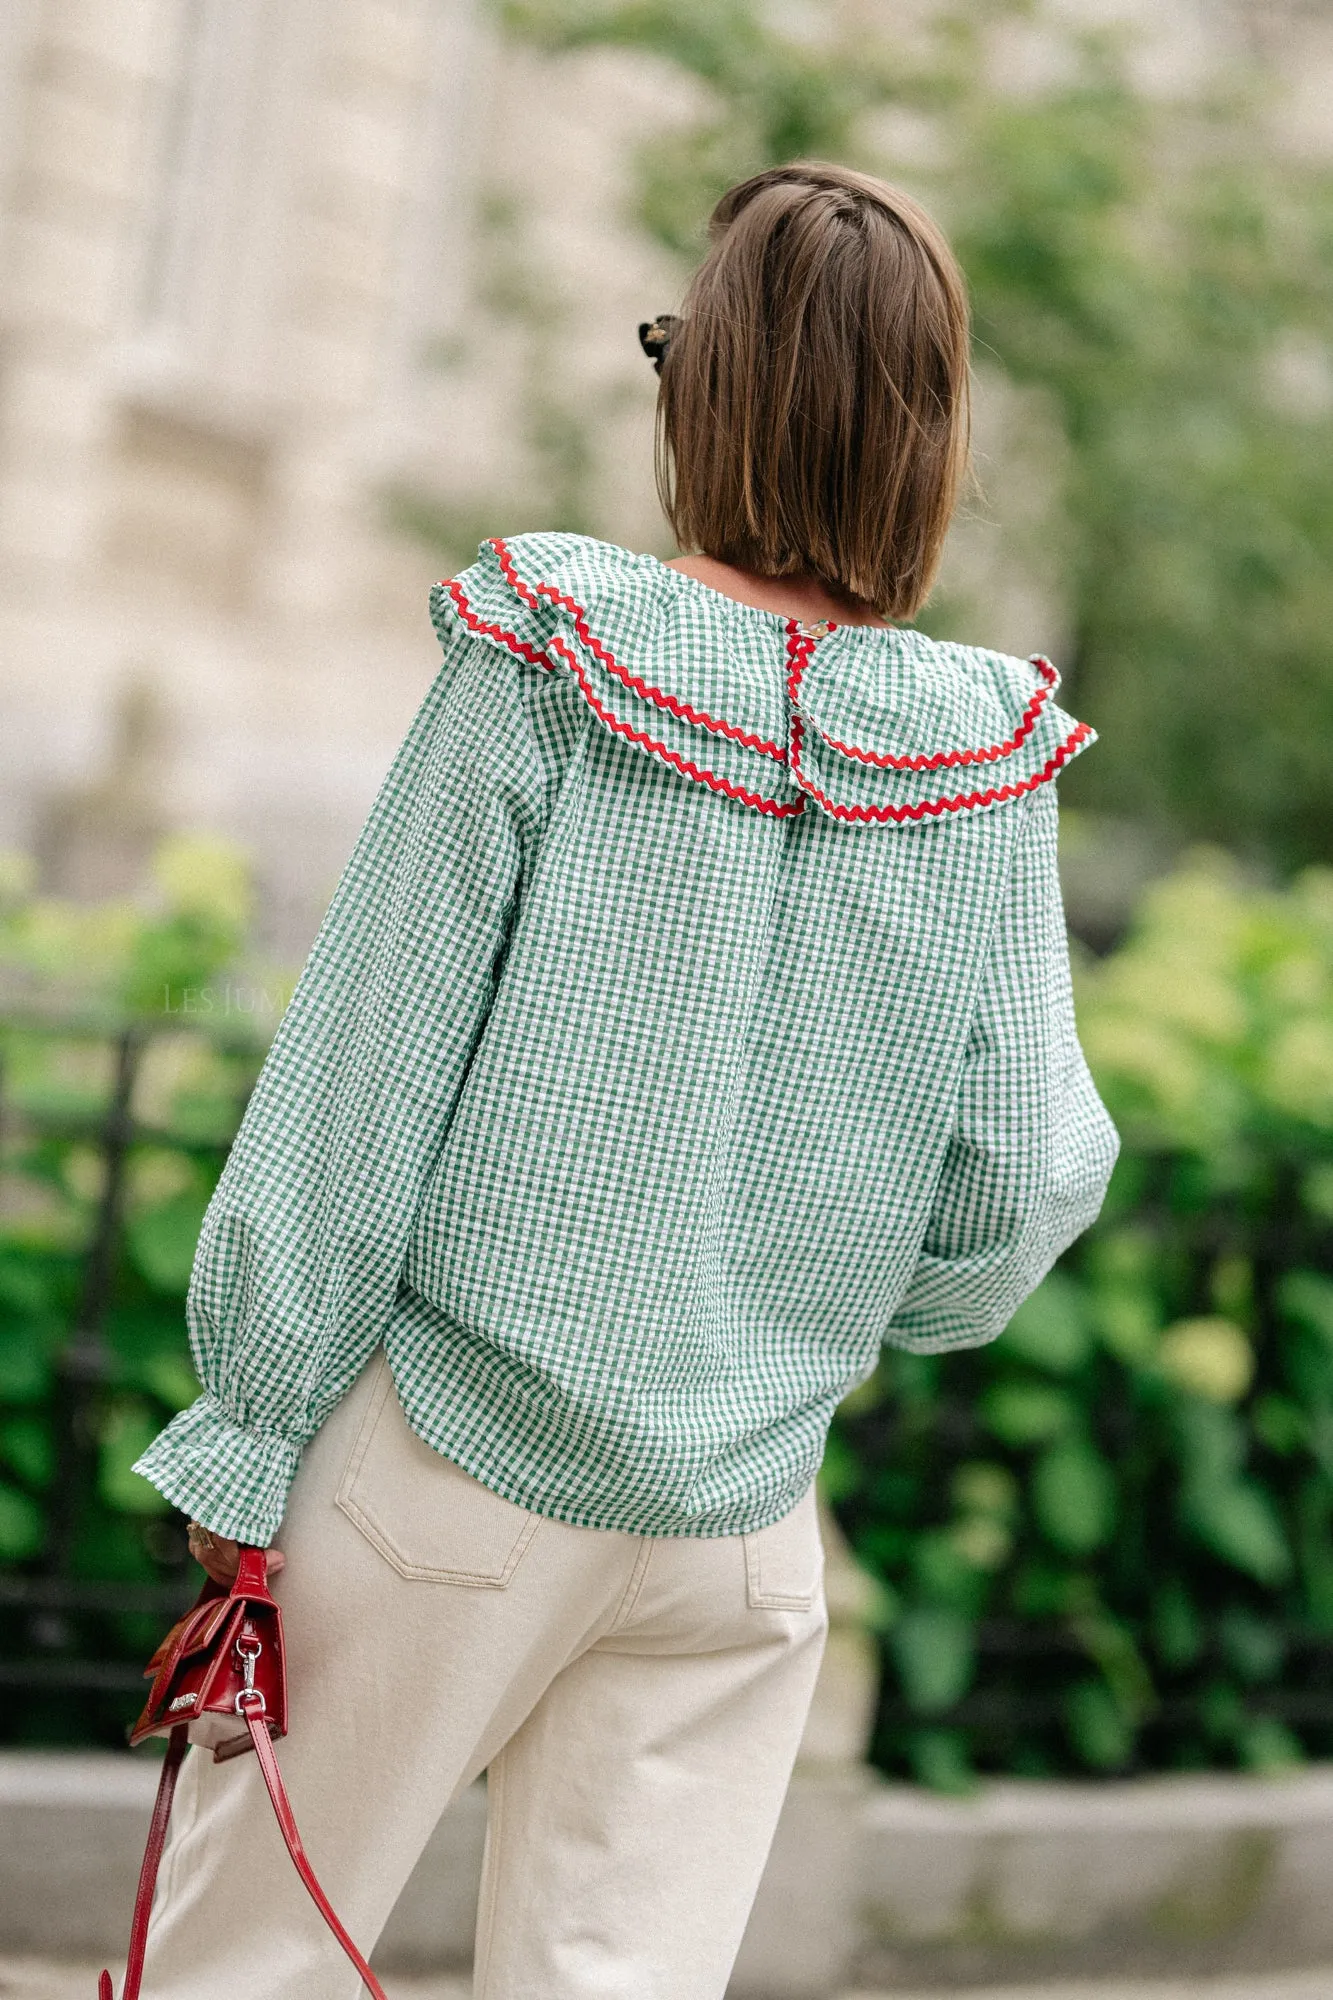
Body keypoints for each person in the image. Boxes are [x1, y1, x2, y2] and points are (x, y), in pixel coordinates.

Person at [133, 161, 1118, 1999]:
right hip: (743, 1525)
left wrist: (252, 1430)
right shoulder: (986, 750)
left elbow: (362, 1075)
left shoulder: (550, 654)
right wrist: (817, 1307)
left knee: (237, 1971)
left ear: (704, 389)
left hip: (449, 1468)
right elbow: (1032, 1176)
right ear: (928, 438)